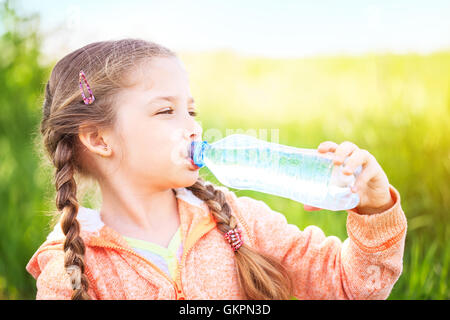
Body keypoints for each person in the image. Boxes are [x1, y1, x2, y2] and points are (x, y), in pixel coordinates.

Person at [26, 38, 407, 300]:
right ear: (99, 139)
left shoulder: (237, 221)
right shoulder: (71, 265)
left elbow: (350, 285)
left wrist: (373, 209)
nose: (192, 126)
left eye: (191, 111)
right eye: (166, 110)